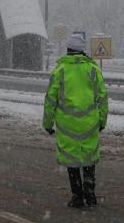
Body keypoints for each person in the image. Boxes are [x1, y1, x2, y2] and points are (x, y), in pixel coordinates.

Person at [42, 33, 108, 209]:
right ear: (82, 50)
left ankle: (77, 196)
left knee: (71, 161)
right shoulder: (93, 70)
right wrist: (102, 120)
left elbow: (50, 100)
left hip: (67, 125)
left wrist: (47, 124)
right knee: (89, 159)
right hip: (89, 124)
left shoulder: (60, 71)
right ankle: (90, 195)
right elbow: (102, 98)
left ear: (68, 49)